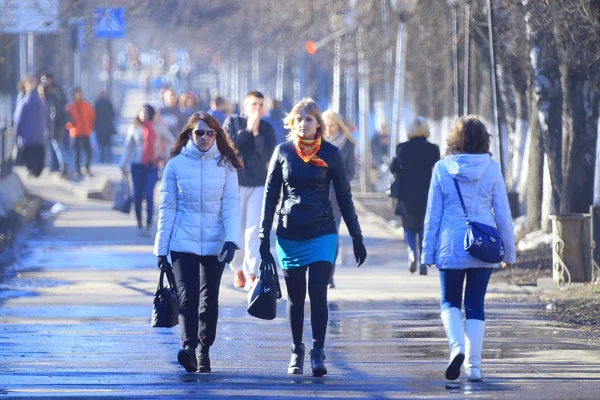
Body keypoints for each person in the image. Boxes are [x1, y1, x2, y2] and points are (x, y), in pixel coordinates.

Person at [259, 98, 367, 377]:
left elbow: (344, 196)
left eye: (309, 119)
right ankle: (297, 349)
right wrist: (263, 234)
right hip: (290, 232)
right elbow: (270, 196)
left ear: (318, 123)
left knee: (318, 292)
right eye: (299, 119)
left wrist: (356, 236)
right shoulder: (282, 152)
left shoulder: (331, 153)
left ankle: (318, 350)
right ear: (292, 123)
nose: (304, 124)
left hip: (322, 231)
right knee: (295, 298)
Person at [421, 116, 515, 382]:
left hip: (451, 245)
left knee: (449, 301)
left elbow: (433, 214)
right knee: (475, 305)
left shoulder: (441, 168)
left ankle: (457, 347)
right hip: (483, 246)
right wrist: (508, 251)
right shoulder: (492, 168)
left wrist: (427, 252)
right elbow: (504, 214)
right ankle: (473, 367)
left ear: (454, 140)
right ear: (484, 139)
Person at [154, 112, 242, 373]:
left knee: (209, 299)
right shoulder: (176, 166)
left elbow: (231, 206)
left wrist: (231, 240)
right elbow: (167, 209)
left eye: (210, 133)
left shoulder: (225, 164)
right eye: (200, 133)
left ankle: (204, 349)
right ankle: (189, 348)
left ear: (217, 135)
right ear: (190, 134)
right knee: (187, 297)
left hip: (215, 242)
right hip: (183, 242)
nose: (205, 137)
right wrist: (161, 250)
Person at [223, 91, 276, 289]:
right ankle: (237, 269)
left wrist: (256, 134)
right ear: (244, 106)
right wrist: (247, 130)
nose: (258, 108)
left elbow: (266, 155)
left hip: (258, 184)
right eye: (254, 104)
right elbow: (232, 148)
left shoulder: (267, 129)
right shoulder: (232, 123)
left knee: (254, 230)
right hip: (236, 183)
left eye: (261, 105)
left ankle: (251, 272)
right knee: (236, 228)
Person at [390, 117, 440, 276]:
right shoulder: (433, 149)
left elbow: (394, 168)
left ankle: (412, 254)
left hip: (407, 195)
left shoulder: (403, 148)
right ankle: (424, 260)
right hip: (427, 194)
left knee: (409, 229)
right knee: (424, 229)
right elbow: (438, 170)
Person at [121, 104, 174, 235]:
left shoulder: (157, 127)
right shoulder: (134, 128)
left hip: (152, 165)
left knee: (149, 195)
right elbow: (128, 147)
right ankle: (139, 223)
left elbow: (171, 140)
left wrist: (165, 155)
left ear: (150, 114)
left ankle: (149, 224)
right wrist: (123, 164)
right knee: (138, 196)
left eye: (145, 112)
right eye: (141, 112)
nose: (143, 115)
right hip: (137, 166)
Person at [322, 110, 356, 289]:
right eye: (325, 126)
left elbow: (351, 171)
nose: (328, 130)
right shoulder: (315, 143)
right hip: (316, 196)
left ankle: (329, 275)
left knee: (332, 235)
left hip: (336, 197)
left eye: (332, 126)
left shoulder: (347, 145)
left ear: (338, 126)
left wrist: (339, 182)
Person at [13, 75, 48, 178]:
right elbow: (48, 117)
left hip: (27, 136)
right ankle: (37, 171)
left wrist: (17, 133)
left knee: (28, 155)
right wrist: (48, 130)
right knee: (38, 154)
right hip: (40, 135)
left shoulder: (24, 103)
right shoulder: (42, 103)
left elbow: (18, 119)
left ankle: (31, 170)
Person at [66, 87, 95, 178]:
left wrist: (90, 127)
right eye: (77, 93)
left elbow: (92, 117)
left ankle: (86, 168)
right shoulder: (70, 107)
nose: (79, 95)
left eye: (80, 93)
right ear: (73, 95)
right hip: (75, 132)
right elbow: (66, 120)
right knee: (76, 152)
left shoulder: (87, 105)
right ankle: (77, 170)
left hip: (85, 132)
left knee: (88, 151)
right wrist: (70, 126)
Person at [94, 90, 116, 163]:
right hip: (107, 125)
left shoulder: (97, 103)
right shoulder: (108, 102)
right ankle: (107, 157)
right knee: (107, 143)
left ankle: (103, 157)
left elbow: (94, 114)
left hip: (100, 126)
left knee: (102, 143)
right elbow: (113, 113)